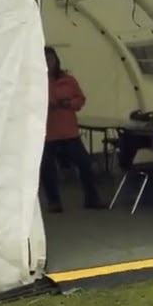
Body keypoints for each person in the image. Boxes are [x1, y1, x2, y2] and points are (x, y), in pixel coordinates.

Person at [40, 46, 104, 212]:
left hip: (69, 131)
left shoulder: (68, 79)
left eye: (52, 60)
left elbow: (80, 99)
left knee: (84, 163)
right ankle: (54, 201)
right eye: (46, 60)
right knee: (47, 167)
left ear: (57, 61)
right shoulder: (37, 80)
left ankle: (92, 198)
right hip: (48, 133)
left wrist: (70, 103)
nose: (49, 63)